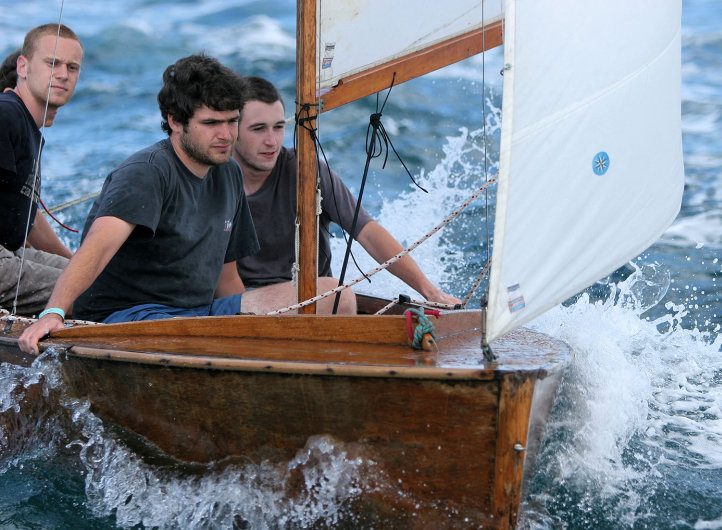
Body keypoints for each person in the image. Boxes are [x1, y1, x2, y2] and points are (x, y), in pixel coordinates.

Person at [18, 55, 355, 355]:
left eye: (232, 121)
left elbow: (226, 280)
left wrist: (254, 328)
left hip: (199, 315)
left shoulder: (230, 174)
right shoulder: (147, 173)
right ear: (176, 121)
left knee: (336, 296)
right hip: (129, 319)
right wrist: (55, 312)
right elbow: (96, 251)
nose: (226, 134)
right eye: (211, 123)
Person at [233, 76, 461, 307]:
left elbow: (368, 233)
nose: (272, 141)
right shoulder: (215, 180)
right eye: (259, 129)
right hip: (243, 299)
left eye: (279, 127)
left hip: (310, 298)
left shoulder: (308, 172)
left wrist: (429, 291)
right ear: (233, 130)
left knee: (339, 294)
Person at [1, 24, 83, 317]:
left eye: (72, 67)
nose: (63, 74)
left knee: (100, 279)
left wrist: (79, 264)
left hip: (12, 252)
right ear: (22, 66)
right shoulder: (6, 113)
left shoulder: (26, 125)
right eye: (53, 63)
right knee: (94, 293)